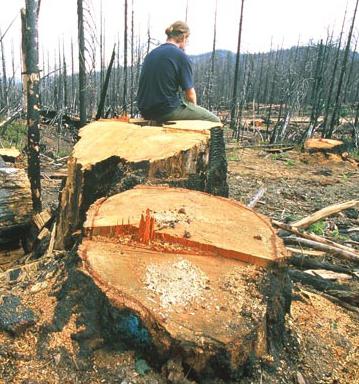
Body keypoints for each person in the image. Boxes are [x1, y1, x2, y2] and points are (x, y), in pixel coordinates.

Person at [137, 20, 220, 123]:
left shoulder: (151, 54)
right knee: (214, 120)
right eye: (187, 38)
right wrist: (194, 111)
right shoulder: (180, 56)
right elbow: (190, 94)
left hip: (145, 111)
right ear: (184, 37)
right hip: (166, 111)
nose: (187, 42)